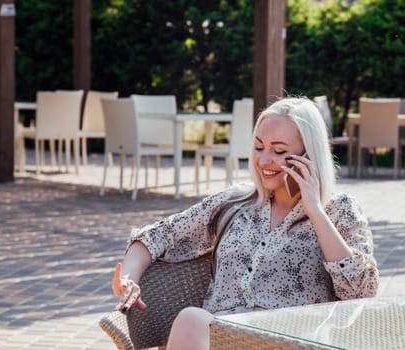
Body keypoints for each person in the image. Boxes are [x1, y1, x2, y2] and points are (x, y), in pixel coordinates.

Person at [112, 96, 379, 350]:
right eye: (259, 147)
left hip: (291, 341)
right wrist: (128, 278)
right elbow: (159, 235)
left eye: (279, 150)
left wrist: (316, 212)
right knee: (191, 319)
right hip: (219, 337)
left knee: (192, 320)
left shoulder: (340, 210)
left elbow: (361, 293)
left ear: (310, 156)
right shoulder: (234, 202)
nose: (264, 160)